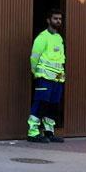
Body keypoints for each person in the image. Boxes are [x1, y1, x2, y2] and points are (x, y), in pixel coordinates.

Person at [27, 10, 67, 143]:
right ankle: (33, 132)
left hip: (57, 79)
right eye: (55, 18)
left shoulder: (59, 38)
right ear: (48, 20)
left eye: (60, 19)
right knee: (41, 104)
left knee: (53, 105)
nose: (58, 21)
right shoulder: (42, 37)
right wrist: (35, 72)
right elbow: (34, 56)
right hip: (44, 78)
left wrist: (61, 76)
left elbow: (60, 59)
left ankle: (49, 132)